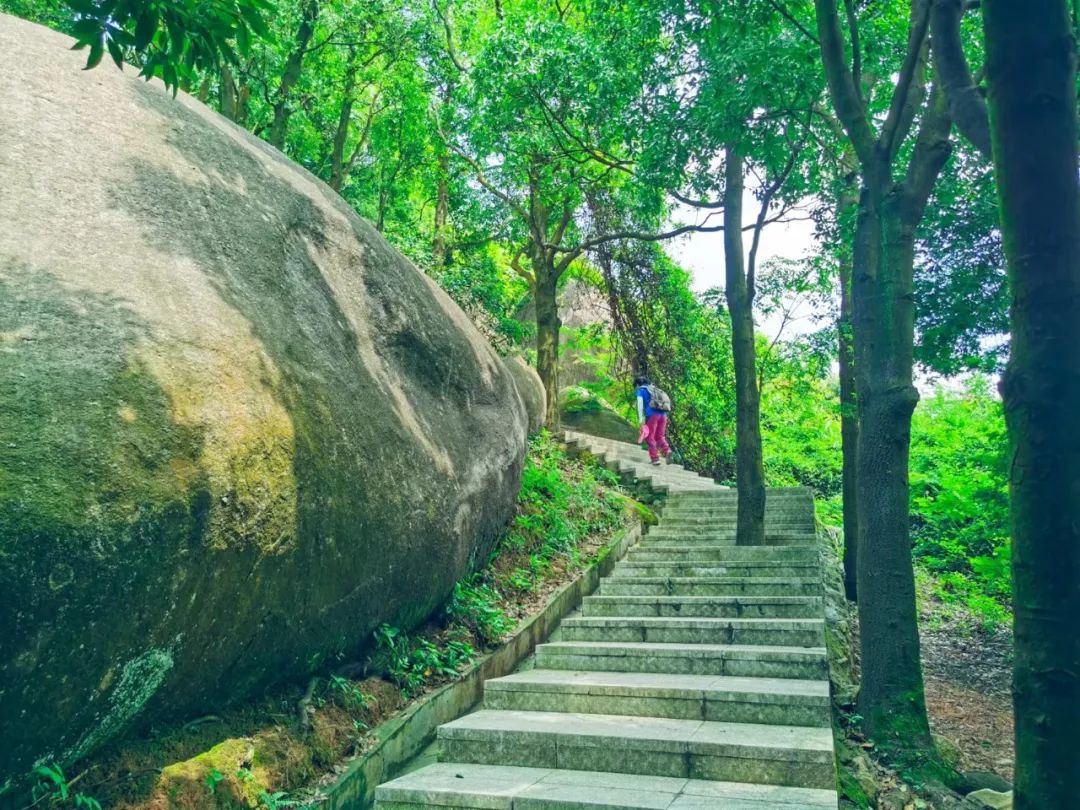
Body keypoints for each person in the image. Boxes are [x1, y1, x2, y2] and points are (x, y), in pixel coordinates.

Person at [634, 375, 671, 465]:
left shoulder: (641, 390)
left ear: (638, 384)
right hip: (663, 415)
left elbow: (640, 405)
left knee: (649, 437)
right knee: (659, 436)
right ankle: (667, 451)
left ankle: (655, 458)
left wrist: (641, 420)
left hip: (652, 415)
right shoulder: (654, 389)